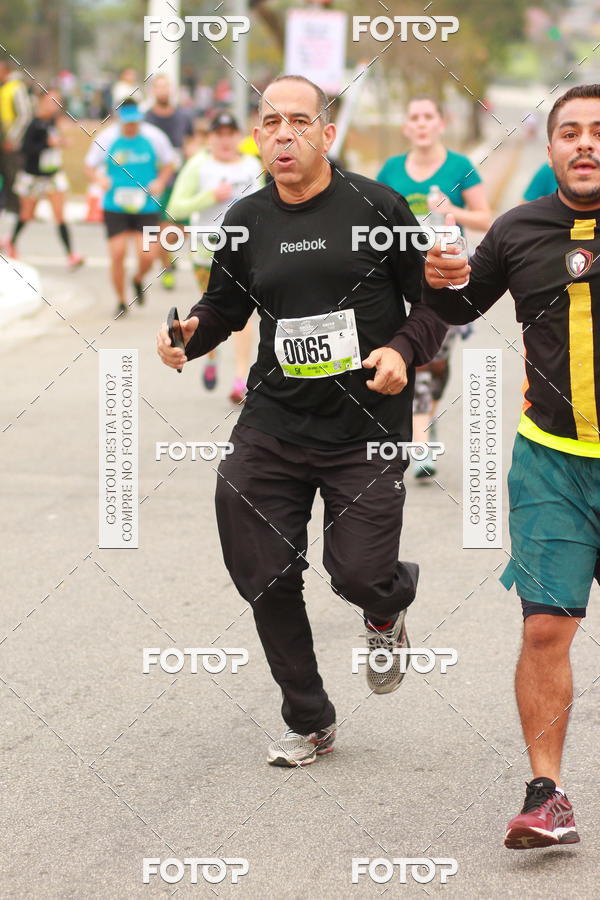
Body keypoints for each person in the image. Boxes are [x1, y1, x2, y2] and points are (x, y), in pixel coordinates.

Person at [157, 75, 447, 767]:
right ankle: (309, 716)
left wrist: (403, 351)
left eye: (296, 121)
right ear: (258, 137)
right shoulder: (246, 219)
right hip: (275, 421)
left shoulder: (377, 207)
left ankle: (385, 610)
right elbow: (224, 307)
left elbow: (435, 304)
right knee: (263, 570)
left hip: (367, 429)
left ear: (326, 133)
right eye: (269, 123)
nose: (281, 134)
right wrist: (188, 336)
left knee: (358, 572)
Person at [423, 83, 600, 850]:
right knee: (544, 633)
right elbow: (460, 309)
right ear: (549, 146)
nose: (585, 143)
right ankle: (546, 792)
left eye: (599, 131)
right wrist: (442, 278)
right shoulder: (520, 229)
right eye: (570, 132)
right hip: (552, 465)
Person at [378, 96, 492, 479]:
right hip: (403, 281)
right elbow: (371, 219)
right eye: (415, 117)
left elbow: (486, 220)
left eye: (429, 116)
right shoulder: (391, 170)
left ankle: (424, 421)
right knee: (417, 359)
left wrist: (451, 210)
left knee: (436, 364)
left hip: (448, 281)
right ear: (406, 127)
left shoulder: (460, 167)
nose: (422, 123)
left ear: (440, 123)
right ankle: (421, 436)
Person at [167, 111, 263, 401]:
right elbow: (176, 208)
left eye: (230, 134)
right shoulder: (199, 165)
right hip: (206, 254)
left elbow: (263, 208)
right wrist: (210, 196)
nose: (224, 140)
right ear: (209, 139)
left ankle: (240, 378)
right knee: (213, 313)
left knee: (243, 317)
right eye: (218, 134)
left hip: (242, 253)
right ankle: (210, 357)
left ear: (239, 137)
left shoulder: (251, 165)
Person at [84, 99, 175, 316]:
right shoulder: (106, 138)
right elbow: (89, 166)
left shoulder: (154, 137)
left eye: (135, 122)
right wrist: (99, 179)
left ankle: (137, 279)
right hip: (115, 205)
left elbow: (169, 163)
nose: (131, 127)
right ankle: (121, 301)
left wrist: (161, 181)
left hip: (145, 206)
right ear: (119, 120)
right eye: (127, 123)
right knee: (118, 253)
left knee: (148, 255)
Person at [7, 89, 83, 267]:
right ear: (41, 102)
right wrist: (45, 145)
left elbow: (54, 142)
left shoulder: (52, 122)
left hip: (52, 175)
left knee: (60, 216)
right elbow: (25, 149)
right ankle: (11, 242)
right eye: (50, 101)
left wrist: (61, 143)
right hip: (33, 176)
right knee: (27, 215)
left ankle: (71, 254)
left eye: (57, 102)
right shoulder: (32, 122)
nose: (54, 106)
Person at [144, 75, 195, 290]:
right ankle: (167, 268)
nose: (163, 91)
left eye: (166, 87)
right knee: (161, 227)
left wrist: (193, 160)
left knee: (182, 227)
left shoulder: (183, 116)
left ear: (172, 90)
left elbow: (191, 141)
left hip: (181, 178)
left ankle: (169, 256)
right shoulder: (146, 118)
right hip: (158, 180)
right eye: (159, 88)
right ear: (152, 91)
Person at [0, 60, 32, 225]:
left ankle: (15, 210)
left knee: (12, 176)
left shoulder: (16, 87)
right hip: (3, 139)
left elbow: (25, 115)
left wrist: (12, 138)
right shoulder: (4, 87)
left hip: (12, 143)